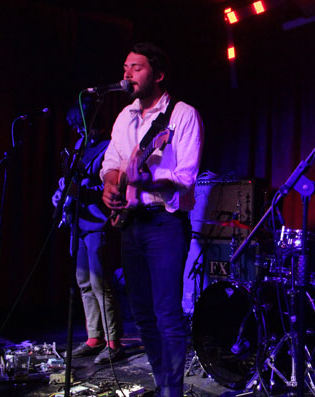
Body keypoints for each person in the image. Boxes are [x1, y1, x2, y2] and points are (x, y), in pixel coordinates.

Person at [101, 43, 204, 397]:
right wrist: (111, 187)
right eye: (125, 67)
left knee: (167, 314)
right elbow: (111, 164)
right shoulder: (124, 116)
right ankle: (162, 384)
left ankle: (172, 391)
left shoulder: (182, 116)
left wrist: (146, 180)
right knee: (142, 314)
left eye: (137, 67)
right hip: (130, 222)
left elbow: (185, 177)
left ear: (158, 75)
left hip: (165, 223)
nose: (127, 74)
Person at [52, 99, 124, 364]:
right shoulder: (80, 146)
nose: (78, 131)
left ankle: (114, 342)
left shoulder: (109, 147)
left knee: (99, 282)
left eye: (80, 125)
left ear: (92, 121)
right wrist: (63, 191)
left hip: (97, 222)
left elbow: (110, 188)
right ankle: (95, 337)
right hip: (78, 222)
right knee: (83, 281)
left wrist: (79, 190)